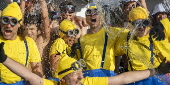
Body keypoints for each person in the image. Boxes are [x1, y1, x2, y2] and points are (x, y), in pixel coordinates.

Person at [0, 42, 170, 85]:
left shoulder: (88, 82)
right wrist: (4, 59)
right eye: (76, 74)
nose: (82, 75)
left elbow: (122, 79)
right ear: (64, 79)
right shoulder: (50, 84)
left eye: (81, 71)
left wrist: (154, 71)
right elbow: (29, 75)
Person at [115, 6, 170, 84]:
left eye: (145, 23)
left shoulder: (155, 34)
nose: (141, 27)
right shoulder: (126, 38)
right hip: (135, 79)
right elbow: (115, 53)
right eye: (137, 24)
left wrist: (162, 25)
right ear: (131, 24)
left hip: (155, 79)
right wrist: (116, 71)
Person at [79, 5, 128, 77]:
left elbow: (134, 32)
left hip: (107, 76)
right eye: (89, 13)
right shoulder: (81, 39)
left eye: (96, 12)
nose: (92, 15)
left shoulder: (111, 32)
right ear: (86, 19)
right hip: (88, 78)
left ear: (101, 18)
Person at [0, 2, 42, 84]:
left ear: (19, 24)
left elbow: (37, 69)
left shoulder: (28, 42)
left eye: (13, 21)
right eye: (5, 20)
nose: (8, 25)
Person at [20, 0, 50, 77]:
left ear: (38, 30)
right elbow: (19, 19)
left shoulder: (41, 40)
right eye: (27, 29)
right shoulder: (21, 40)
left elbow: (45, 19)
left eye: (32, 29)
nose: (29, 32)